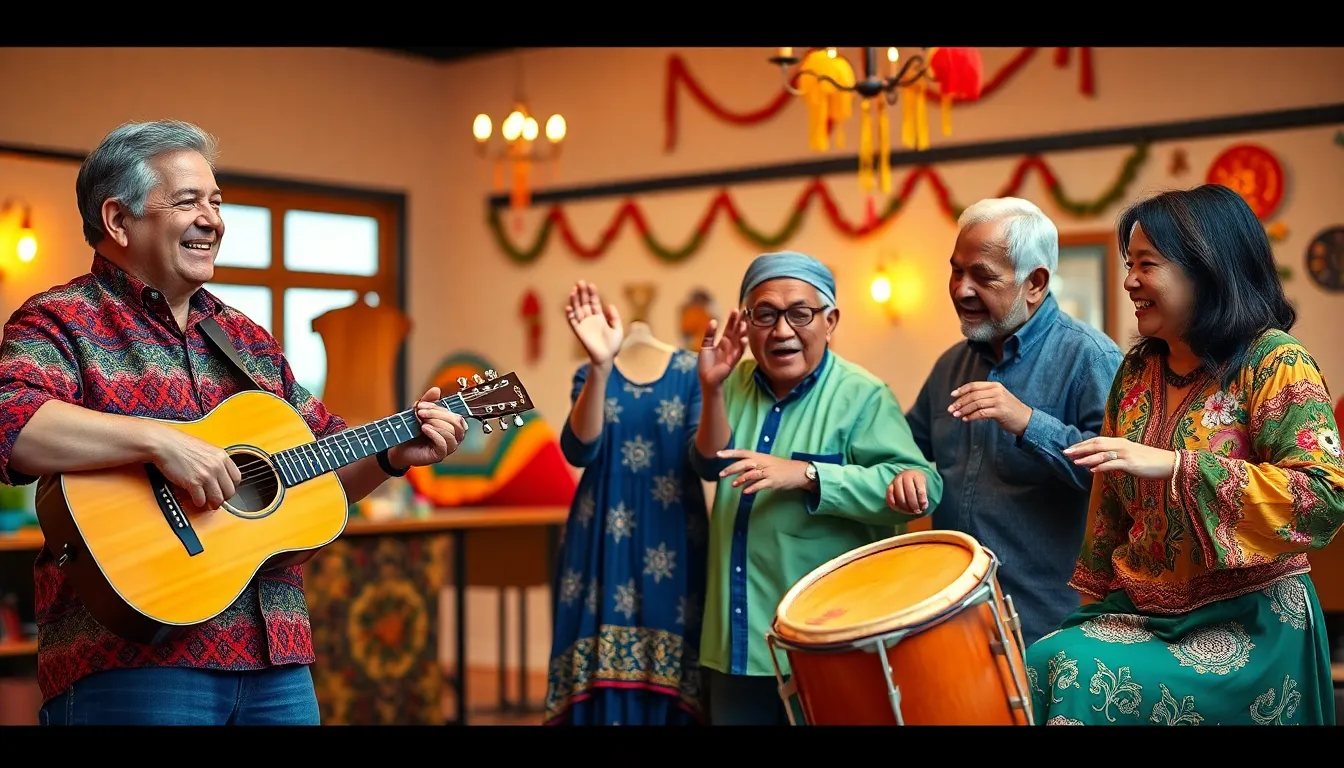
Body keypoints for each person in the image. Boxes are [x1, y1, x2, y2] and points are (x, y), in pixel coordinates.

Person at [0, 120, 467, 725]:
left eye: (217, 202)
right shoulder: (59, 320)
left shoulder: (247, 339)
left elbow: (320, 466)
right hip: (133, 661)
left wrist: (389, 456)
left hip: (276, 661)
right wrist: (160, 442)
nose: (213, 219)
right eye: (189, 200)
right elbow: (12, 423)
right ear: (118, 220)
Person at [1026, 184, 1343, 726]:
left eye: (1146, 264)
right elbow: (1108, 510)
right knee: (1040, 659)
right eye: (1129, 264)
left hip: (1252, 619)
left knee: (1081, 674)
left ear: (1206, 269)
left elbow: (1322, 497)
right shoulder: (1135, 372)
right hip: (1145, 612)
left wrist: (1178, 466)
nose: (1130, 281)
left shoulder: (1275, 363)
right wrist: (1092, 606)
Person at [689, 250, 942, 725]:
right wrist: (711, 391)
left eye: (799, 313)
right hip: (736, 640)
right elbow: (707, 462)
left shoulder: (863, 396)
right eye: (765, 314)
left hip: (826, 646)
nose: (782, 330)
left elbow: (921, 485)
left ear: (831, 321)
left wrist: (806, 474)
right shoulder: (731, 380)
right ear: (747, 324)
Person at [888, 197, 1124, 647]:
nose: (961, 289)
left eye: (982, 276)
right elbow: (908, 447)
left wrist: (1027, 422)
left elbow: (1119, 485)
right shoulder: (949, 367)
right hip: (950, 616)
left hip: (1049, 629)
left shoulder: (1090, 358)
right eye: (956, 270)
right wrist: (906, 471)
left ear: (1034, 283)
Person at [544, 281, 708, 725]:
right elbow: (580, 450)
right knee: (594, 662)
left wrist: (715, 389)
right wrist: (599, 366)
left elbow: (706, 458)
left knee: (672, 666)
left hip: (673, 534)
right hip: (597, 533)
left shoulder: (693, 372)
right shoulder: (590, 374)